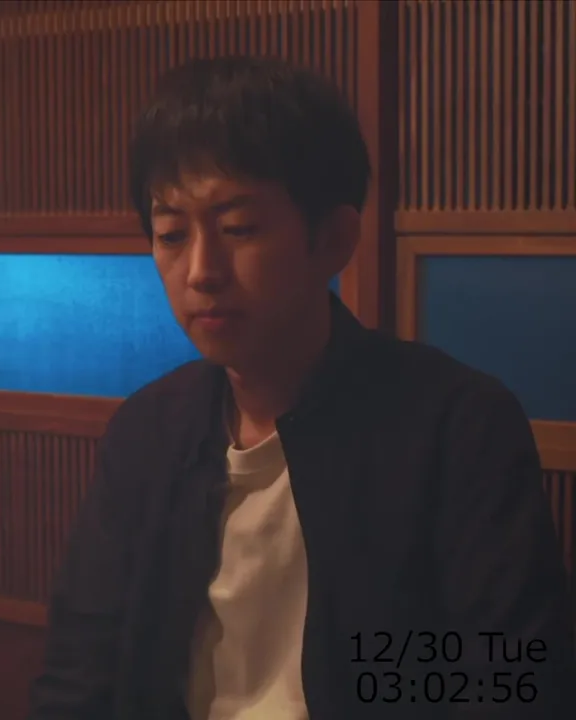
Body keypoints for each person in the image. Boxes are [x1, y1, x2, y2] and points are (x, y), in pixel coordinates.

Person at [28, 56, 575, 719]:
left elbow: (510, 684)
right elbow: (79, 672)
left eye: (239, 229)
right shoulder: (148, 432)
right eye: (171, 233)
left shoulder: (455, 428)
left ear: (334, 238)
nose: (200, 271)